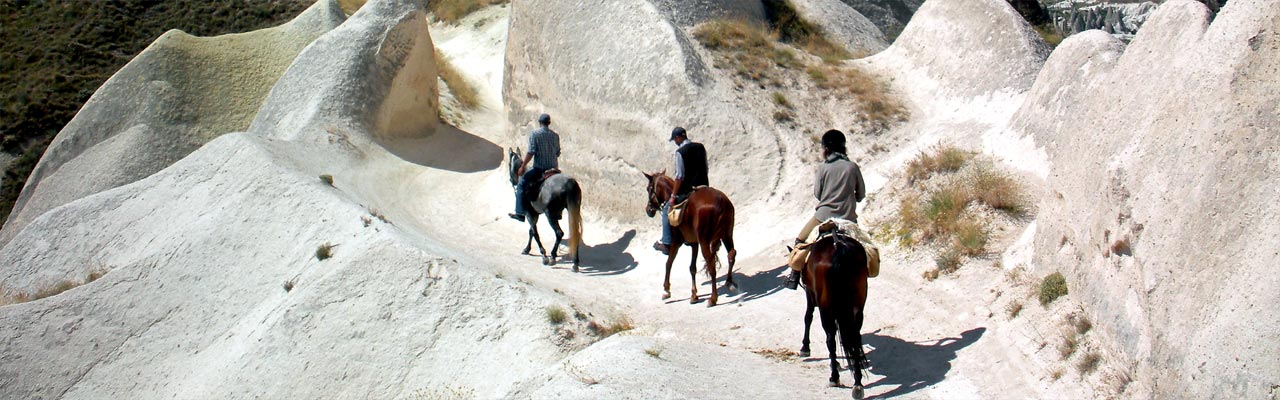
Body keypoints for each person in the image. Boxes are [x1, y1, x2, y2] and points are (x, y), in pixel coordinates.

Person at [784, 129, 866, 289]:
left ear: (826, 149)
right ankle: (864, 273)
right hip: (848, 218)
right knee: (864, 247)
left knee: (800, 241)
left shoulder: (823, 168)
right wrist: (852, 198)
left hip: (822, 217)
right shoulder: (852, 167)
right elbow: (861, 194)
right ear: (844, 147)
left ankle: (793, 276)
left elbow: (818, 194)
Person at [654, 127, 708, 255]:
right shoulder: (700, 147)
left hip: (688, 190)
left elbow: (679, 176)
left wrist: (673, 196)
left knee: (667, 209)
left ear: (678, 137)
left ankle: (666, 243)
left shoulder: (680, 152)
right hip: (704, 186)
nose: (675, 142)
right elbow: (705, 167)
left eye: (675, 140)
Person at [509, 114, 561, 222]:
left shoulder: (535, 134)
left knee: (521, 184)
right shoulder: (555, 136)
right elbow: (557, 153)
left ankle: (520, 213)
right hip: (554, 170)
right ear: (549, 123)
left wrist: (523, 166)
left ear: (539, 122)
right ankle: (558, 211)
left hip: (540, 169)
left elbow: (531, 152)